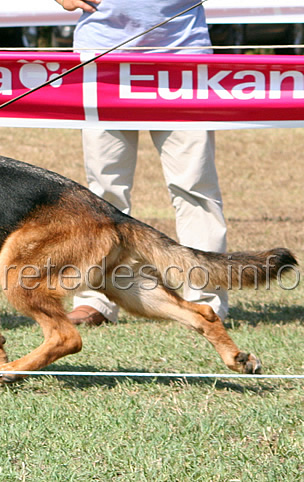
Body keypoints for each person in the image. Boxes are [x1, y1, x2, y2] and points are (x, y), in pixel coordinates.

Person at [57, 0, 228, 326]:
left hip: (183, 56)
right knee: (104, 191)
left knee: (195, 187)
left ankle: (205, 300)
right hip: (102, 56)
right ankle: (98, 299)